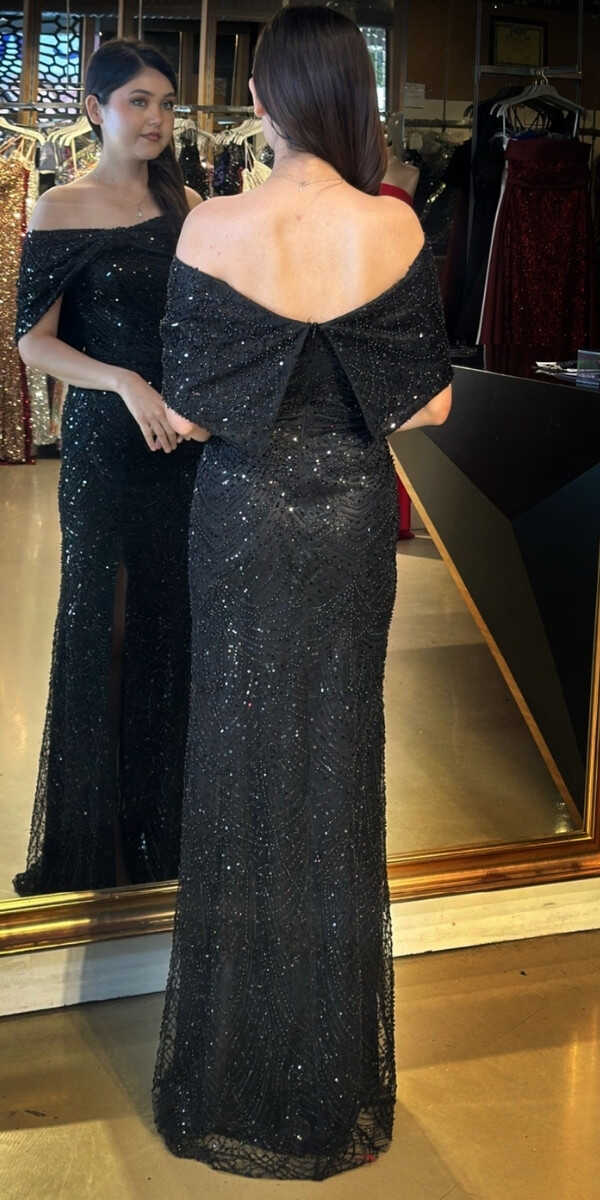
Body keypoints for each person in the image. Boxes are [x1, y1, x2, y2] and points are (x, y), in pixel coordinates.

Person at [152, 6, 452, 1181]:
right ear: (354, 99)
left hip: (238, 517)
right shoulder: (396, 222)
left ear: (264, 99)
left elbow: (189, 410)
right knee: (336, 760)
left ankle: (229, 1068)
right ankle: (325, 1074)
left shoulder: (211, 223)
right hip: (349, 528)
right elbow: (430, 403)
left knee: (237, 758)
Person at [13, 39, 203, 896]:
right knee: (106, 625)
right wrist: (122, 379)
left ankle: (161, 835)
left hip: (182, 447)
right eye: (138, 101)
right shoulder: (60, 205)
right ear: (95, 110)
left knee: (172, 627)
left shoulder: (190, 207)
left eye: (166, 103)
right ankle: (94, 846)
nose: (157, 118)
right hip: (104, 445)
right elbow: (33, 341)